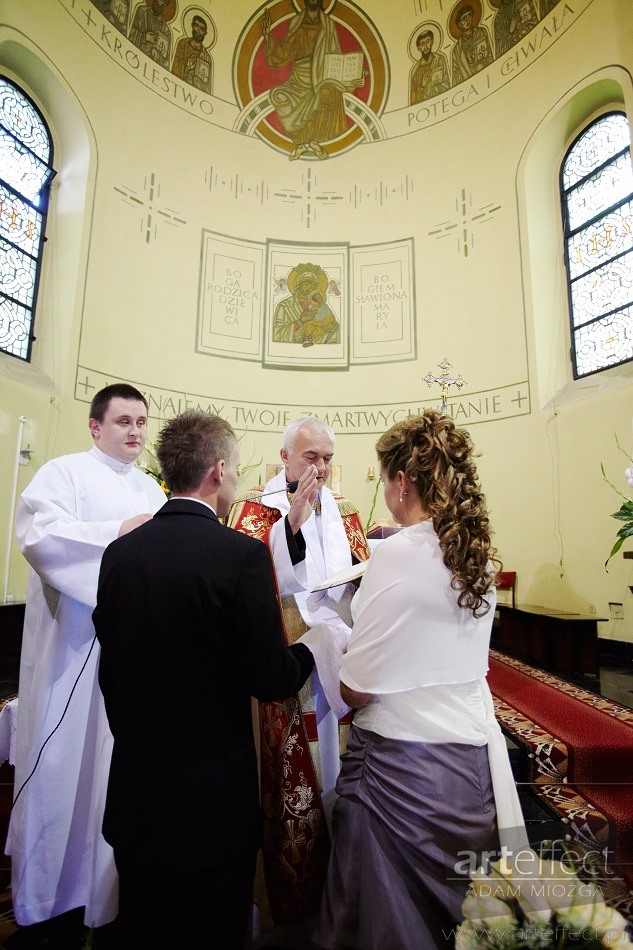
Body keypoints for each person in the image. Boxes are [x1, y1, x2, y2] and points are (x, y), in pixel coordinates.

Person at [93, 411, 315, 949]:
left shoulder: (120, 554)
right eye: (235, 470)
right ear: (218, 471)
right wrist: (313, 650)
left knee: (142, 931)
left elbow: (111, 670)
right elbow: (269, 675)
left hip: (137, 800)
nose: (235, 479)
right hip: (210, 813)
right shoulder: (238, 556)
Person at [313, 411, 528, 950]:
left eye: (386, 479)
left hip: (400, 777)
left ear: (401, 483)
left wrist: (334, 636)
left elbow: (356, 688)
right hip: (469, 774)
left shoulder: (398, 558)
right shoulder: (474, 555)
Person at [8, 383, 167, 948]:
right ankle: (47, 904)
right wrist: (114, 536)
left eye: (142, 422)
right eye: (123, 421)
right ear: (95, 427)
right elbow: (40, 538)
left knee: (112, 781)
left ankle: (107, 898)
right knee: (61, 775)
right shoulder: (63, 473)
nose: (136, 432)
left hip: (132, 663)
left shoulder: (151, 487)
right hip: (71, 656)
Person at [229, 417, 370, 928]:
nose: (322, 468)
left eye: (328, 457)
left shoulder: (347, 511)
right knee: (294, 783)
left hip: (343, 659)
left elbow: (363, 572)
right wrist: (291, 521)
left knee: (342, 776)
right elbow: (247, 586)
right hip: (287, 665)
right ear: (284, 458)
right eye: (312, 457)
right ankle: (291, 901)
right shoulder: (252, 509)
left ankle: (345, 891)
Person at [261, 0, 364, 161]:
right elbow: (284, 52)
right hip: (298, 79)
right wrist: (268, 36)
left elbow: (335, 56)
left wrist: (352, 79)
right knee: (277, 94)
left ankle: (314, 141)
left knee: (327, 94)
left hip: (321, 75)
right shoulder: (297, 23)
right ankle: (300, 143)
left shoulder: (328, 24)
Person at [272, 264, 340, 345]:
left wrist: (329, 326)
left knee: (337, 327)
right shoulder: (285, 306)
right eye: (307, 283)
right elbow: (276, 334)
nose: (310, 287)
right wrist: (300, 322)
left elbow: (330, 320)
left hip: (320, 341)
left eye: (313, 284)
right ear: (298, 286)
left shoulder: (320, 306)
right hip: (294, 346)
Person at [451, 3, 493, 85]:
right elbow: (456, 75)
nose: (468, 20)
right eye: (464, 18)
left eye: (469, 15)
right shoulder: (457, 49)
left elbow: (491, 54)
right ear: (459, 24)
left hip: (487, 74)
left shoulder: (482, 32)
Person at [171, 13, 213, 95]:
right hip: (178, 90)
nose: (198, 30)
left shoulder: (207, 58)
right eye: (196, 26)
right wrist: (187, 67)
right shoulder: (183, 43)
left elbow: (207, 87)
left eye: (202, 29)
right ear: (192, 26)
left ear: (205, 33)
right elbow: (175, 69)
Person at [129, 0, 173, 70]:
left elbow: (167, 63)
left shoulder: (166, 31)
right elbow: (129, 33)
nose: (157, 1)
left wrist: (158, 56)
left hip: (150, 67)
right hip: (134, 57)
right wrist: (144, 37)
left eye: (161, 0)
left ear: (165, 4)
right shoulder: (142, 12)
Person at [409, 30, 450, 105]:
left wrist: (430, 89)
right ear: (418, 48)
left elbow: (447, 84)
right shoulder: (416, 71)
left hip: (441, 101)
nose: (426, 46)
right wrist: (422, 85)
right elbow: (413, 97)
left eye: (428, 42)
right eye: (422, 44)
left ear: (432, 42)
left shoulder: (439, 60)